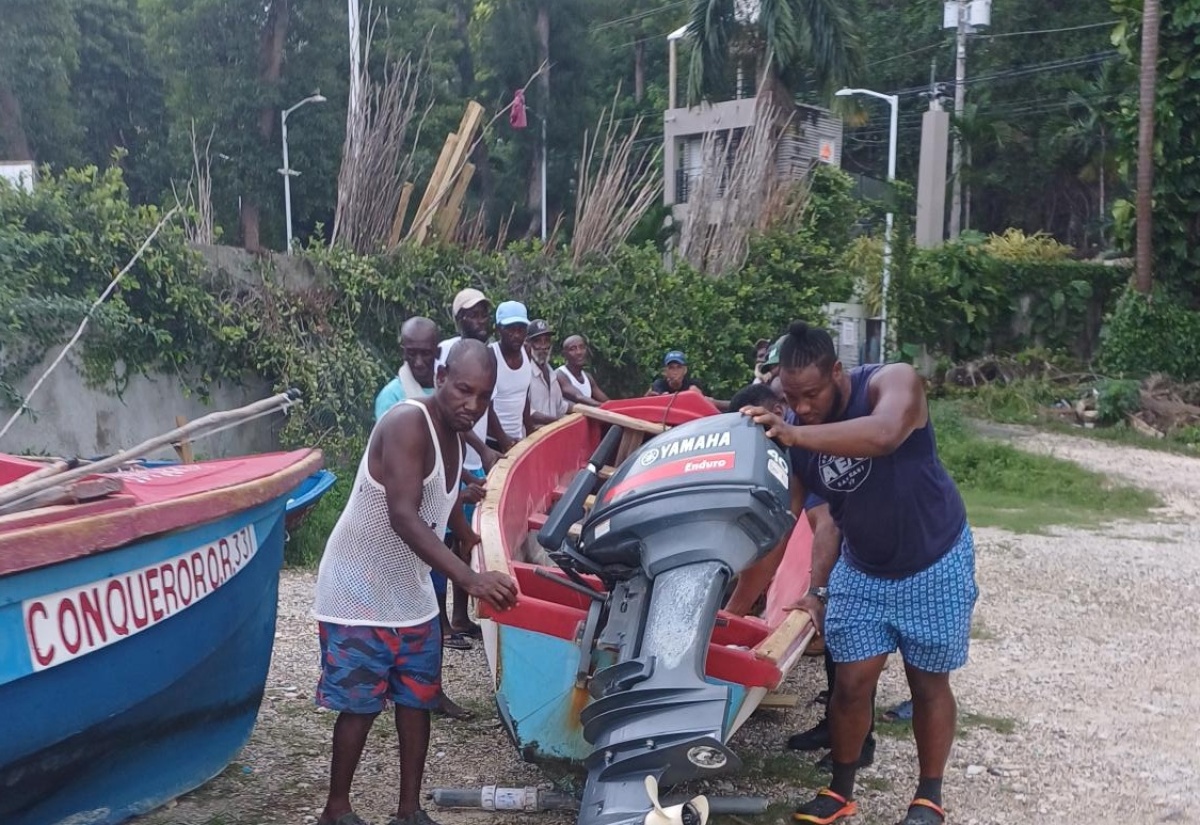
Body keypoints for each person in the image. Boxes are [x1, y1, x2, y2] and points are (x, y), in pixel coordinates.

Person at [742, 320, 977, 825]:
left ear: (837, 372)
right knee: (850, 684)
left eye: (811, 394)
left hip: (934, 559)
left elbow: (886, 434)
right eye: (791, 397)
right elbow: (784, 527)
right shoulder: (798, 435)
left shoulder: (892, 382)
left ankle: (928, 796)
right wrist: (735, 611)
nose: (802, 407)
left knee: (927, 684)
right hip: (863, 567)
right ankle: (840, 791)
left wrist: (796, 433)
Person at [313, 339, 518, 825]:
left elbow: (441, 501)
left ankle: (409, 809)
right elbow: (404, 515)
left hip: (410, 590)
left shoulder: (455, 436)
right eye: (464, 390)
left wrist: (470, 537)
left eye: (483, 397)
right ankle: (336, 809)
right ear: (441, 377)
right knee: (361, 704)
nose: (472, 405)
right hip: (357, 589)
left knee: (416, 698)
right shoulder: (408, 423)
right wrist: (470, 579)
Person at [372, 316, 472, 719]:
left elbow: (448, 456)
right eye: (410, 353)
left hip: (432, 520)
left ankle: (428, 690)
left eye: (425, 354)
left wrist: (464, 494)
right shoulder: (393, 398)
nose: (418, 362)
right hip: (400, 527)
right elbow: (399, 479)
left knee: (431, 607)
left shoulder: (443, 390)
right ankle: (391, 689)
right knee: (397, 612)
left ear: (437, 354)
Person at [436, 288, 499, 642]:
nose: (480, 321)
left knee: (463, 542)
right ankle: (440, 622)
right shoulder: (449, 352)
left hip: (472, 462)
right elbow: (447, 412)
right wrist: (480, 449)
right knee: (440, 541)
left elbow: (489, 406)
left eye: (483, 313)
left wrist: (497, 443)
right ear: (459, 319)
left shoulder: (488, 356)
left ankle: (460, 616)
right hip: (456, 460)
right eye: (472, 314)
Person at [488, 301, 535, 449]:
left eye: (521, 329)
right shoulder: (490, 355)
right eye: (510, 329)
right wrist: (503, 439)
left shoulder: (527, 351)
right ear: (498, 329)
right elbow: (486, 405)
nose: (516, 335)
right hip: (492, 441)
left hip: (517, 439)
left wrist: (530, 431)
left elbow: (524, 396)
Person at [527, 319, 571, 427]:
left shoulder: (551, 372)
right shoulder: (524, 373)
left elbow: (560, 407)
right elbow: (527, 412)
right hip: (532, 435)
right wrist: (557, 423)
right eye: (538, 341)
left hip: (553, 433)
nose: (543, 347)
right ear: (528, 343)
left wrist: (584, 410)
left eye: (546, 341)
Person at [556, 334, 609, 407]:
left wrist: (614, 406)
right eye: (572, 349)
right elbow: (578, 397)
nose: (579, 352)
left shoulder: (587, 377)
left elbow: (605, 400)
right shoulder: (560, 375)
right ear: (564, 354)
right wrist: (603, 407)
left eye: (582, 347)